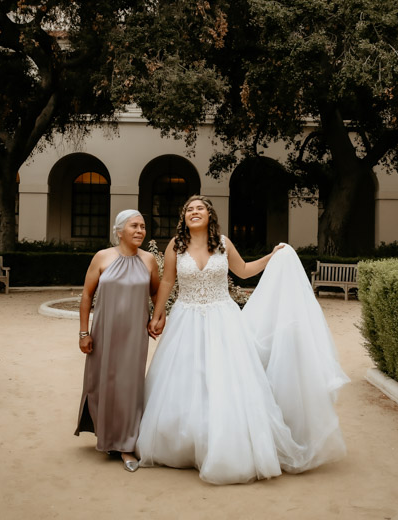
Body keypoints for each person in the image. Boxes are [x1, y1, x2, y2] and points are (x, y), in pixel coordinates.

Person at [137, 195, 349, 484]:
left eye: (200, 208)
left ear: (210, 215)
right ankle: (183, 444)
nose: (194, 212)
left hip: (223, 320)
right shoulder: (176, 245)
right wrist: (158, 313)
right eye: (189, 209)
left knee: (226, 381)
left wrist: (273, 257)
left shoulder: (223, 244)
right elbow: (168, 281)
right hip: (185, 319)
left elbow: (245, 270)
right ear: (183, 217)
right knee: (185, 380)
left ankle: (224, 445)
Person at [75, 210, 160, 472]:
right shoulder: (102, 257)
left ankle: (125, 444)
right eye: (134, 226)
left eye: (143, 227)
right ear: (119, 230)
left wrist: (156, 318)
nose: (140, 231)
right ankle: (108, 436)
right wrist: (83, 333)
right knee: (102, 382)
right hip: (104, 332)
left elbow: (157, 293)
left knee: (129, 385)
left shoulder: (149, 260)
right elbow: (87, 296)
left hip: (135, 334)